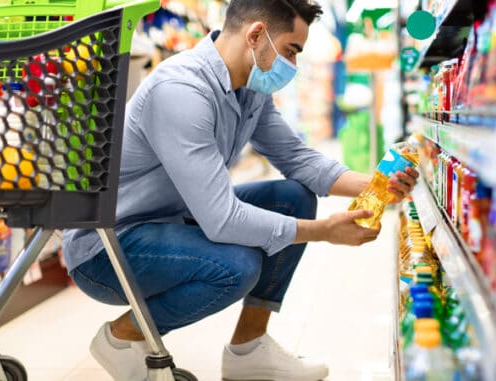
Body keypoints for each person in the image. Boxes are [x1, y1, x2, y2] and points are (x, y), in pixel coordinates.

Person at [62, 0, 419, 380]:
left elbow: (296, 158)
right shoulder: (181, 91)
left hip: (171, 221)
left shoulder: (248, 88)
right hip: (109, 247)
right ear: (255, 36)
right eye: (291, 51)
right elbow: (221, 220)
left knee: (293, 198)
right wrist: (324, 232)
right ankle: (123, 337)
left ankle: (249, 350)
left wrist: (378, 185)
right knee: (235, 267)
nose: (293, 67)